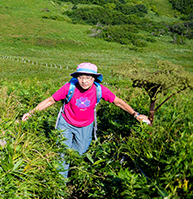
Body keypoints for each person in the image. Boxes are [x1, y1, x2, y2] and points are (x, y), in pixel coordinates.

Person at [21, 62, 150, 178]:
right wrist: (32, 112)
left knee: (80, 152)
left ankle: (72, 173)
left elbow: (118, 102)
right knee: (63, 153)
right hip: (65, 123)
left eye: (88, 77)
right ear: (77, 77)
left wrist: (135, 114)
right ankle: (61, 184)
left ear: (94, 79)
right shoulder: (69, 88)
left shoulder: (99, 90)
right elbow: (50, 100)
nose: (84, 81)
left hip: (85, 125)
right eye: (81, 77)